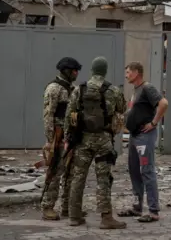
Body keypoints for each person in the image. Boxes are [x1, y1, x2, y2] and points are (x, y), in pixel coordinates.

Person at [64, 57, 127, 229]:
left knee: (78, 177)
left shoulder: (79, 89)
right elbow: (122, 109)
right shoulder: (113, 90)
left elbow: (70, 114)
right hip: (103, 141)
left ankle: (74, 216)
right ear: (105, 71)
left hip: (82, 140)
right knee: (103, 179)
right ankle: (106, 218)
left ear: (92, 70)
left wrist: (67, 139)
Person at [119, 61, 169, 223]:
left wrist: (154, 123)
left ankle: (153, 211)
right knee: (134, 170)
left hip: (144, 137)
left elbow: (164, 103)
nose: (126, 75)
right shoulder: (136, 90)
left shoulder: (148, 88)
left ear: (136, 73)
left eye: (128, 72)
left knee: (147, 170)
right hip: (135, 136)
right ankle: (137, 207)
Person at [40, 56, 82, 221]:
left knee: (71, 173)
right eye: (74, 71)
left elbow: (73, 114)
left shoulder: (73, 89)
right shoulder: (54, 89)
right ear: (66, 71)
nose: (76, 73)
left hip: (70, 136)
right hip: (58, 136)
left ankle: (67, 207)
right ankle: (48, 206)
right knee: (55, 172)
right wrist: (50, 140)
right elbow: (48, 115)